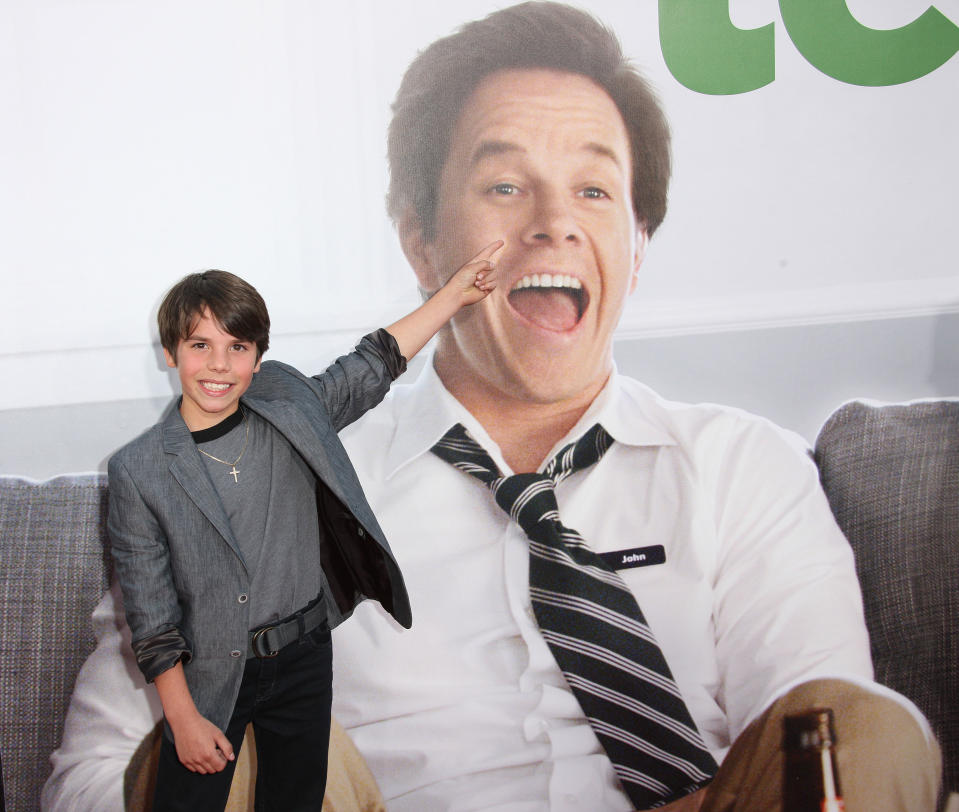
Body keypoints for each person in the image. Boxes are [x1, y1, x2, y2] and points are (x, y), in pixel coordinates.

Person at [45, 3, 941, 811]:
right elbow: (90, 777)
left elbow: (822, 764)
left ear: (636, 246)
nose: (553, 221)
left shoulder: (743, 468)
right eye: (505, 186)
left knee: (852, 728)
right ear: (422, 243)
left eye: (593, 189)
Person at [84, 248, 499, 812]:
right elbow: (153, 621)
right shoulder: (140, 470)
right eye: (199, 345)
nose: (218, 365)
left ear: (257, 359)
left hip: (304, 656)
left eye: (238, 348)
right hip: (211, 672)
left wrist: (453, 295)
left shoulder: (290, 409)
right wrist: (182, 720)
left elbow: (371, 365)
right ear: (170, 353)